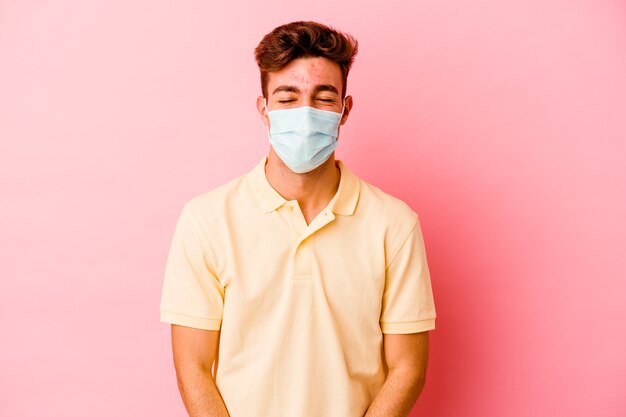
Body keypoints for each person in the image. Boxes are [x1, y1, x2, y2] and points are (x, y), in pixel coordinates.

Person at [159, 20, 437, 417]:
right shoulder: (206, 220)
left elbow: (408, 368)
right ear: (264, 110)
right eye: (287, 98)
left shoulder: (394, 225)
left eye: (323, 97)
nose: (305, 113)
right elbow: (193, 367)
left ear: (345, 109)